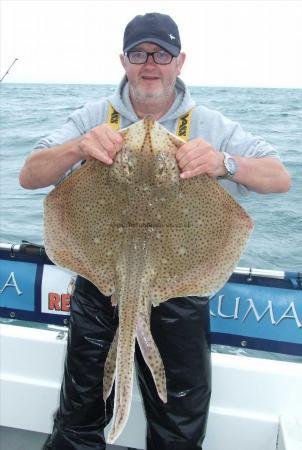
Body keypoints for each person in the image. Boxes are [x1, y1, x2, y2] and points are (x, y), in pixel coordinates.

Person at [19, 12, 291, 450]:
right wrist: (78, 146)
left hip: (179, 288)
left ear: (179, 61)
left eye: (161, 53)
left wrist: (225, 163)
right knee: (80, 413)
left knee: (179, 423)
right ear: (123, 60)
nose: (151, 63)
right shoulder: (94, 116)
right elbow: (30, 175)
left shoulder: (211, 125)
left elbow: (280, 177)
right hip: (101, 280)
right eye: (139, 53)